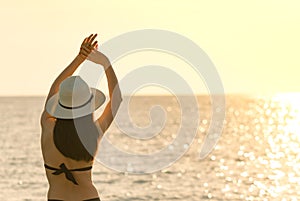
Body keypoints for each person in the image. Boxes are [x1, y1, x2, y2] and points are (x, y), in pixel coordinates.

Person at [40, 34, 122, 201]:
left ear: (61, 103)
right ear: (88, 105)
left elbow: (54, 88)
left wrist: (80, 58)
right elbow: (117, 100)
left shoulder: (48, 127)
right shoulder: (93, 133)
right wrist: (106, 64)